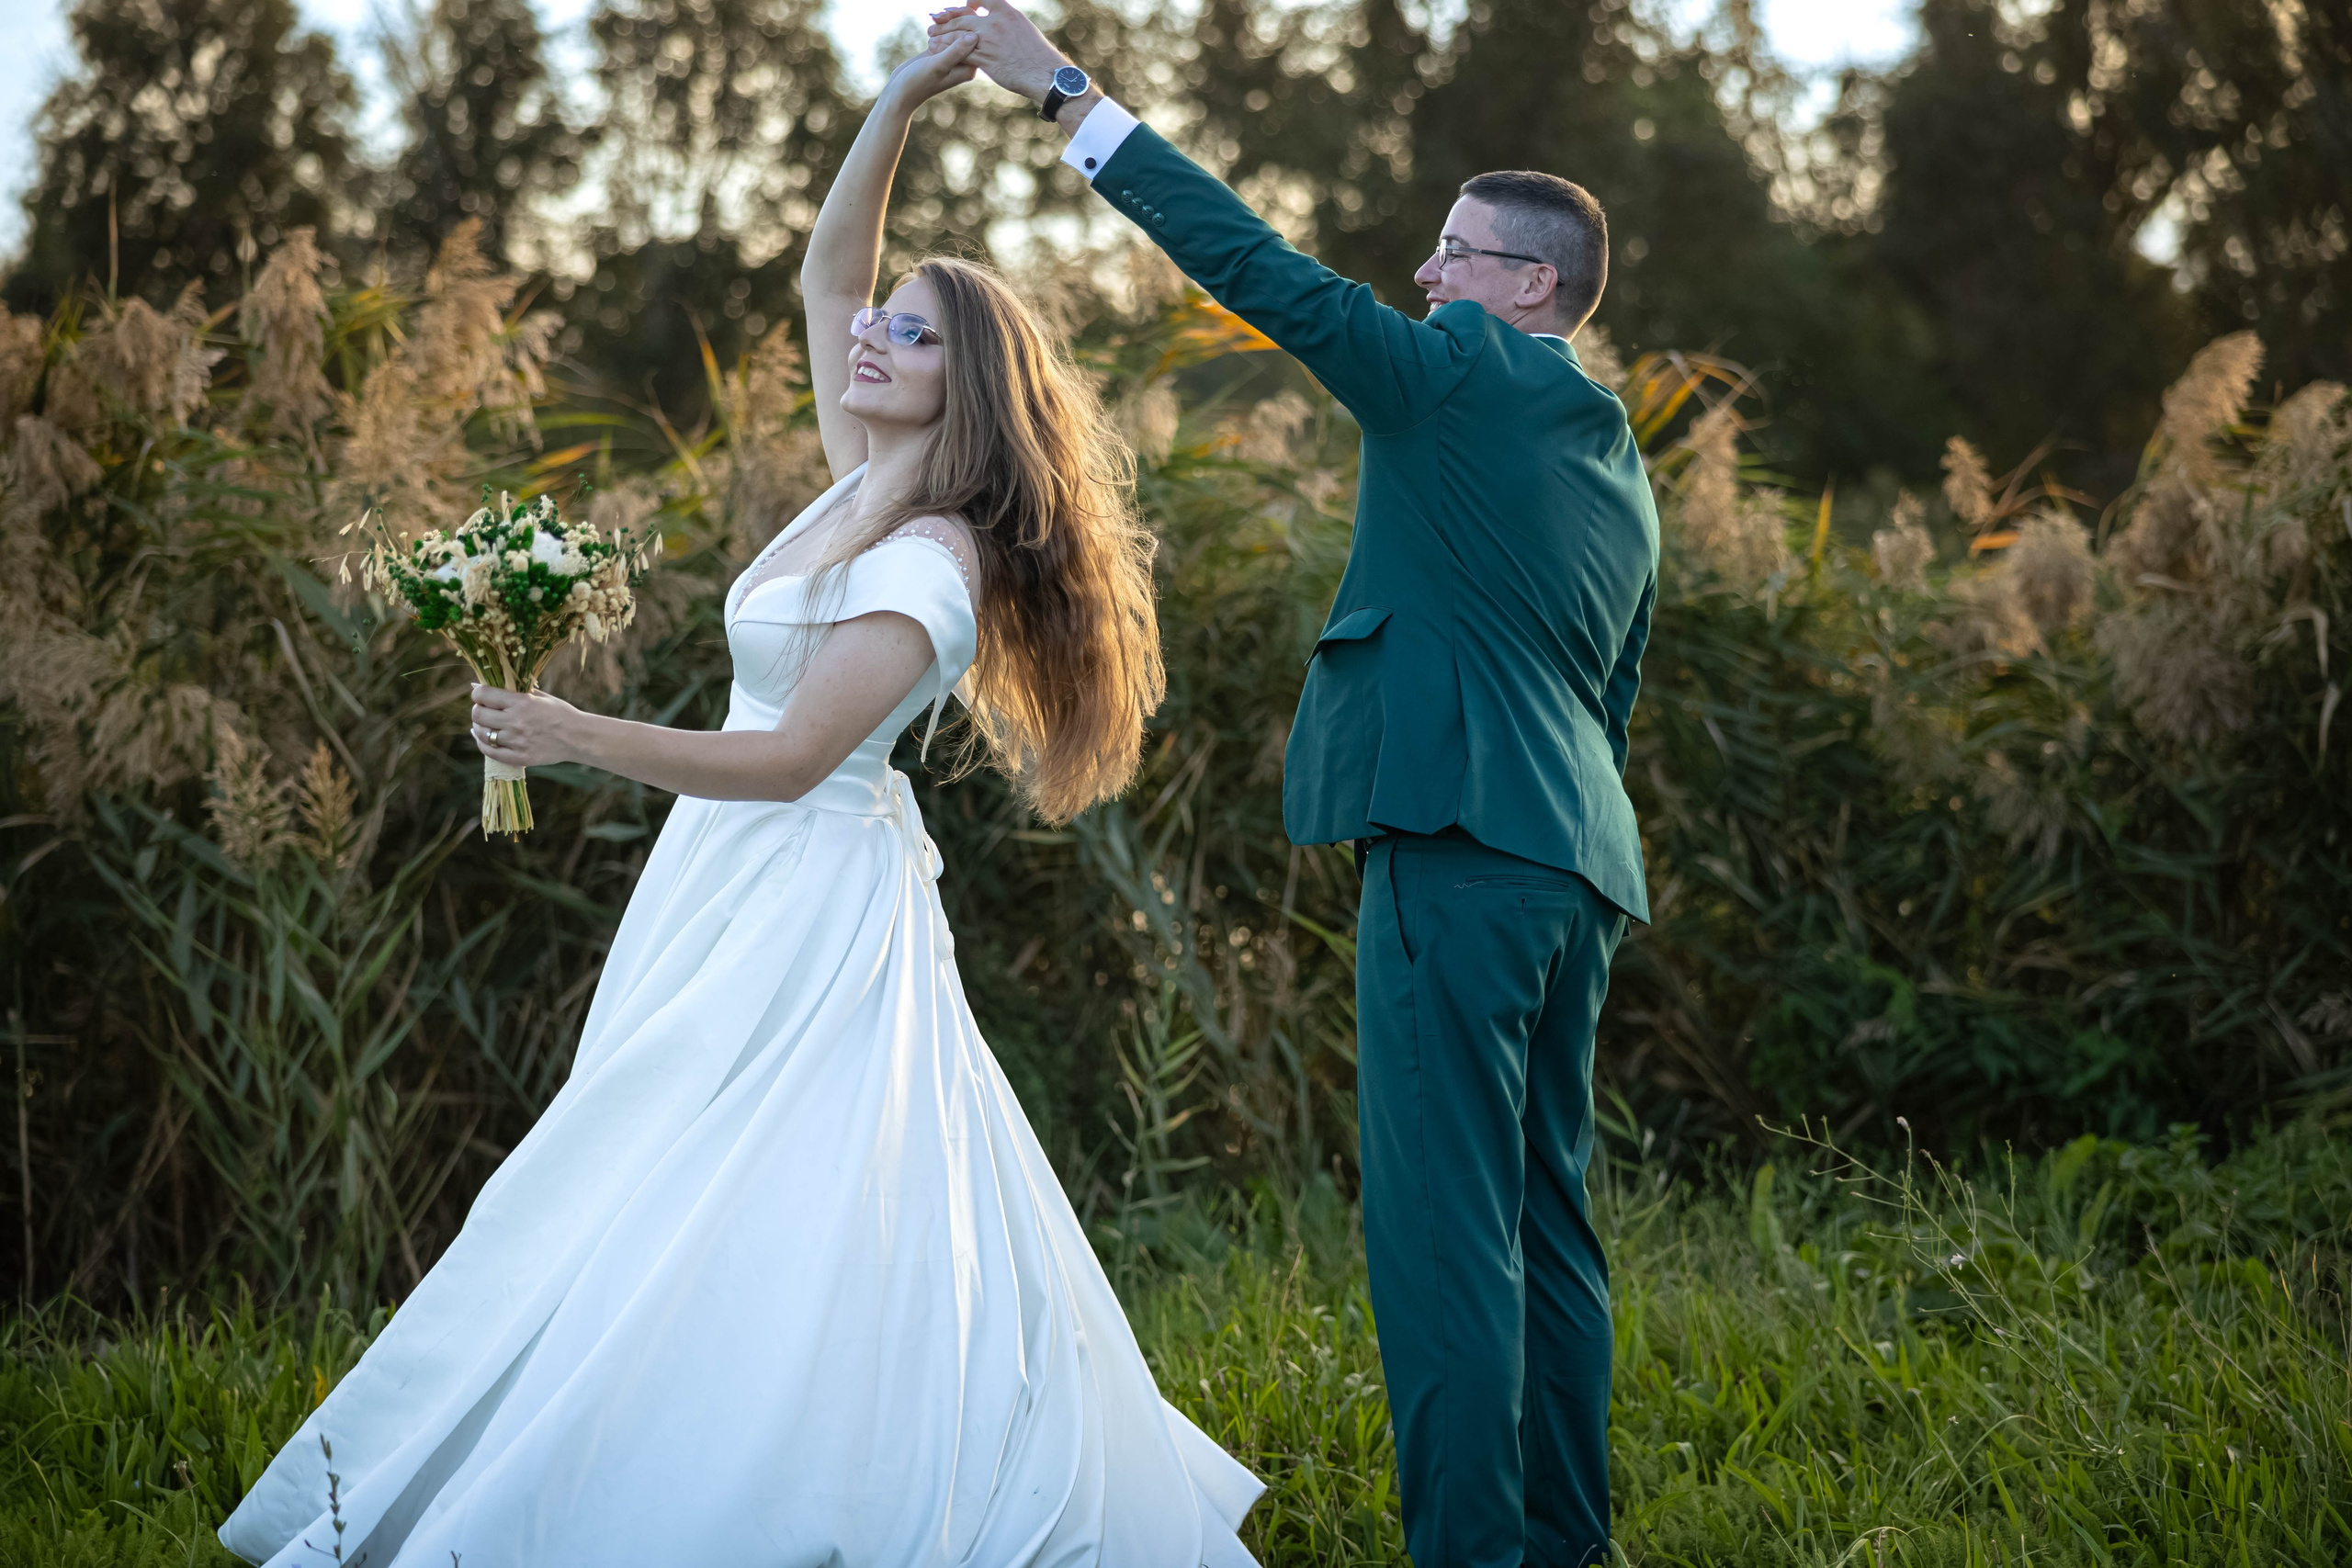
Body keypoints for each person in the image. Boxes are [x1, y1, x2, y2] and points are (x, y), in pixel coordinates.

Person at [217, 33, 1262, 1568]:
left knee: (738, 1177)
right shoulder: (863, 484)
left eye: (906, 339)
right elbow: (828, 268)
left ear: (962, 387)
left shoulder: (929, 560)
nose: (868, 340)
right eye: (885, 327)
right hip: (728, 878)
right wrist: (904, 98)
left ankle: (759, 1470)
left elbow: (789, 759)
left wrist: (576, 730)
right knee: (654, 1149)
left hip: (806, 897)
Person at [928, 9, 1660, 1567]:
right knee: (1551, 1229)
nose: (1427, 277)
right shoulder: (1610, 450)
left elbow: (1261, 271)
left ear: (1530, 287)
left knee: (1447, 1237)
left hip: (1458, 848)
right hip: (1578, 862)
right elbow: (1614, 685)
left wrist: (1069, 95)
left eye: (1457, 254)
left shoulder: (1461, 375)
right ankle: (1565, 1547)